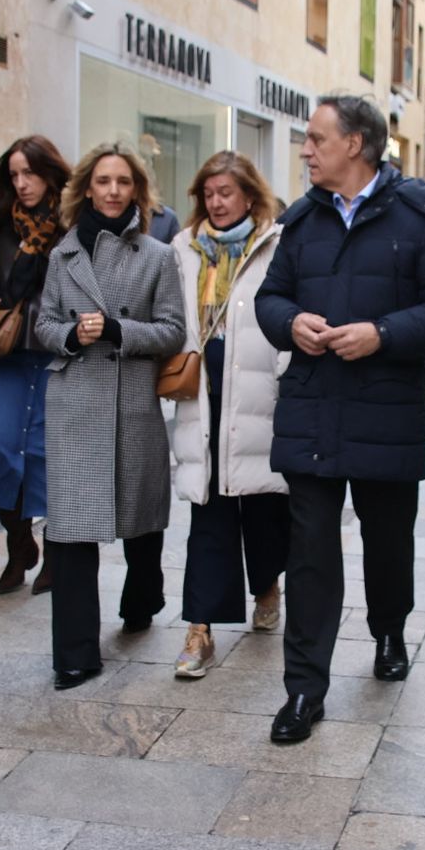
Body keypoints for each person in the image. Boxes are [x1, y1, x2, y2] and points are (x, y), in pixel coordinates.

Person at [256, 94, 425, 742]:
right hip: (313, 409)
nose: (305, 149)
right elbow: (269, 298)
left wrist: (381, 332)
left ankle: (388, 628)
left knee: (388, 542)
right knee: (311, 552)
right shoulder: (302, 220)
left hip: (386, 412)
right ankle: (304, 690)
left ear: (356, 144)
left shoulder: (420, 215)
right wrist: (291, 322)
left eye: (317, 137)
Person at [35, 142, 186, 690]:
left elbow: (173, 331)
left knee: (139, 518)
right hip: (75, 402)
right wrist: (72, 335)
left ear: (137, 191)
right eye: (104, 181)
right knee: (72, 529)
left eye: (124, 181)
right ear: (87, 189)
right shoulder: (62, 256)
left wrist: (121, 331)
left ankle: (143, 597)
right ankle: (74, 655)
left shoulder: (157, 255)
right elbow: (44, 325)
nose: (114, 190)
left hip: (131, 401)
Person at [169, 151, 290, 678]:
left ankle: (266, 584)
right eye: (209, 194)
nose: (217, 203)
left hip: (260, 394)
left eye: (226, 193)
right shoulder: (183, 249)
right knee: (209, 513)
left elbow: (288, 315)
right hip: (204, 396)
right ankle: (200, 630)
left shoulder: (276, 245)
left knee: (263, 509)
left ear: (248, 195)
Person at [0, 135, 72, 596]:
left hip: (55, 350)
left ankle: (56, 552)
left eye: (31, 173)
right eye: (15, 175)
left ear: (50, 173)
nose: (22, 184)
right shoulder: (1, 223)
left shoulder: (72, 223)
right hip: (10, 352)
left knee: (46, 454)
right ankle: (19, 541)